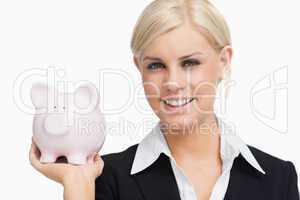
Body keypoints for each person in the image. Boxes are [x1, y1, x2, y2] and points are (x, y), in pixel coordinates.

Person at [29, 0, 300, 199]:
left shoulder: (279, 179)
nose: (172, 82)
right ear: (139, 66)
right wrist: (76, 183)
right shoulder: (103, 178)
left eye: (190, 62)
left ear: (223, 61)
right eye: (156, 65)